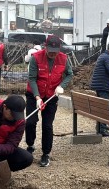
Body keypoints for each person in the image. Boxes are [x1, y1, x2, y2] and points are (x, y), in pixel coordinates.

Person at [25, 35, 73, 167]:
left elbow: (69, 74)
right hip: (33, 95)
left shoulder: (63, 58)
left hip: (52, 96)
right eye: (50, 50)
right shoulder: (36, 57)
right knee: (30, 122)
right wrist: (37, 97)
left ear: (59, 49)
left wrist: (61, 86)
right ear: (45, 47)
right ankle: (30, 145)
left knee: (47, 125)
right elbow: (32, 78)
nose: (52, 53)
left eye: (55, 51)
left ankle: (46, 153)